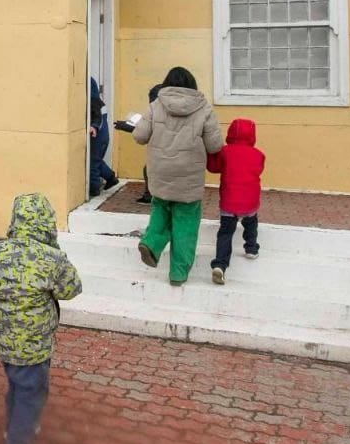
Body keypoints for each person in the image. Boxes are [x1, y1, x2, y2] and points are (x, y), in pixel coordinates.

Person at [0, 194, 82, 444]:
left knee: (18, 385)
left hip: (4, 341)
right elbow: (72, 289)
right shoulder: (52, 258)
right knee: (30, 390)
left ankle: (17, 425)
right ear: (47, 222)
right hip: (36, 344)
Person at [132, 66, 221, 286]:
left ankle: (151, 243)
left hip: (160, 172)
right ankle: (178, 274)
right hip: (189, 176)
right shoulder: (204, 109)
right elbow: (215, 145)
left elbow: (140, 136)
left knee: (161, 208)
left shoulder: (156, 105)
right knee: (186, 223)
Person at [207, 118, 265, 285]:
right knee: (251, 223)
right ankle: (251, 248)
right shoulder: (259, 155)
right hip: (250, 201)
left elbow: (214, 168)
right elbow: (259, 169)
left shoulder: (225, 152)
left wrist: (211, 154)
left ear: (230, 133)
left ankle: (220, 264)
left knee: (225, 233)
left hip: (229, 201)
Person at [88, 78, 118, 196]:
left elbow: (97, 117)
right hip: (103, 137)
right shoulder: (99, 102)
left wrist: (94, 126)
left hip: (98, 138)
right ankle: (110, 177)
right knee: (96, 160)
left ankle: (93, 188)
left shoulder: (94, 102)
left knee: (92, 164)